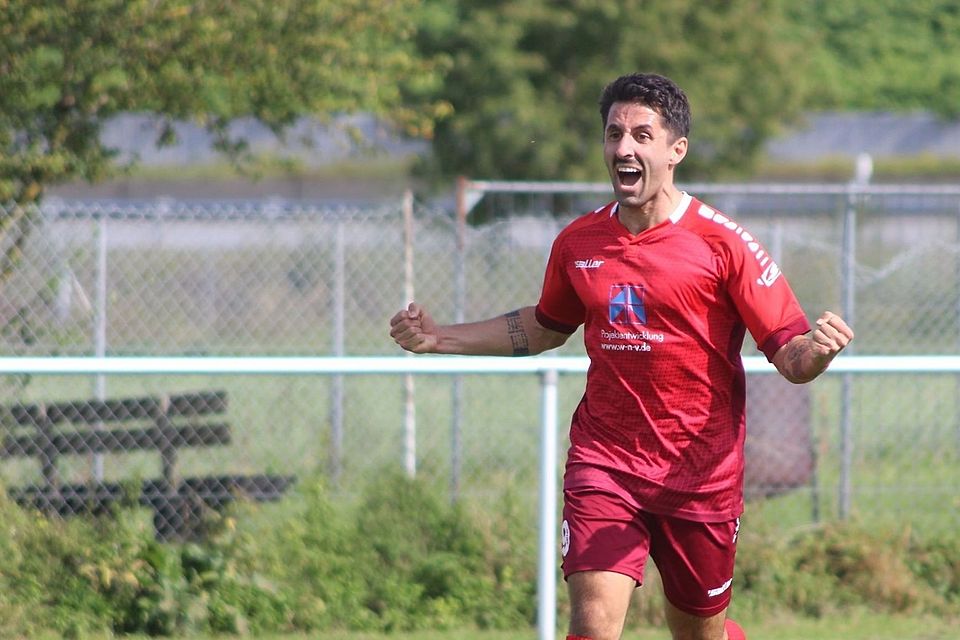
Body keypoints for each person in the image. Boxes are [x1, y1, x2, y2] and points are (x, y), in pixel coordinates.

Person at [389, 72, 853, 640]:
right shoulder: (579, 243)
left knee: (699, 634)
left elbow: (791, 356)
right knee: (592, 625)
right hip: (605, 464)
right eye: (614, 134)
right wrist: (440, 338)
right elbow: (543, 327)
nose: (623, 148)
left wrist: (819, 350)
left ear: (676, 150)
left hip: (700, 477)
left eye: (641, 135)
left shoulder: (724, 243)